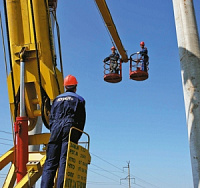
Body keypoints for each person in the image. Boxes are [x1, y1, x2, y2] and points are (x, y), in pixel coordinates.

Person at [41, 75, 86, 188]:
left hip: (55, 129)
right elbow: (81, 120)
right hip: (70, 128)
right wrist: (76, 136)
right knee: (64, 161)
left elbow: (51, 118)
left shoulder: (56, 99)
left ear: (65, 87)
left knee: (50, 162)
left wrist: (54, 130)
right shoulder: (79, 99)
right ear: (75, 87)